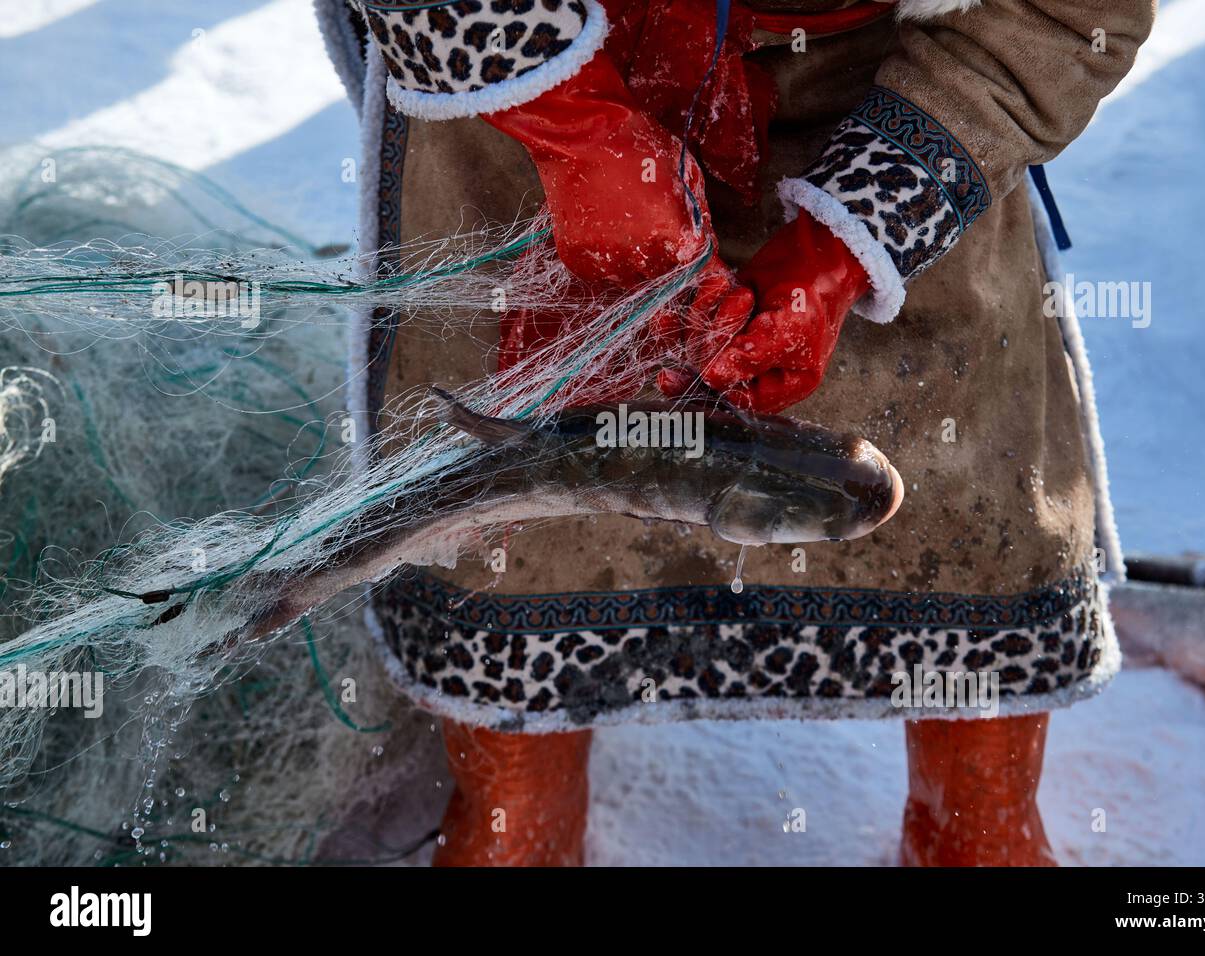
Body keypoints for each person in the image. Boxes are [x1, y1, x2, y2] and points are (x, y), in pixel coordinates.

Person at [316, 0, 1155, 865]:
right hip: (531, 59)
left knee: (964, 505)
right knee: (515, 523)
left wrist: (845, 247)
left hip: (886, 75)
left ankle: (971, 817)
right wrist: (571, 124)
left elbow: (1074, 12)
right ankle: (518, 807)